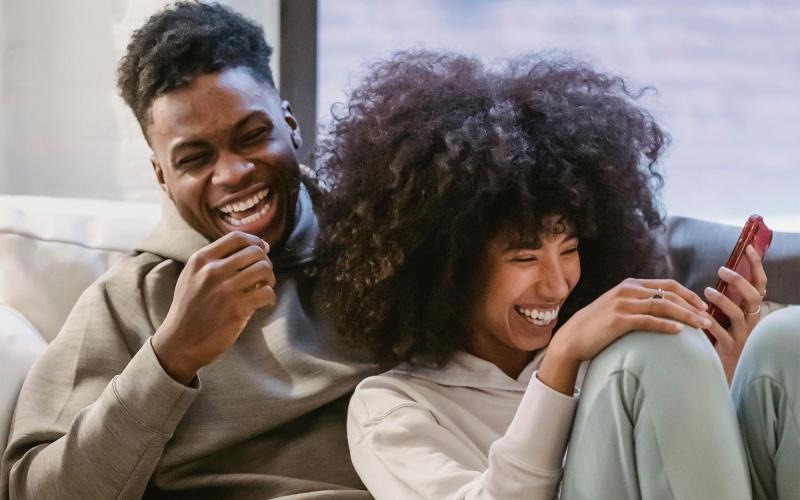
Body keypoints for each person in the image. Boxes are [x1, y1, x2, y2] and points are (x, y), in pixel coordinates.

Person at [314, 51, 768, 499]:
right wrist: (560, 360)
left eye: (568, 249)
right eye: (524, 258)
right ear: (449, 265)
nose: (557, 285)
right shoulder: (392, 406)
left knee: (784, 338)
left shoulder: (606, 359)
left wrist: (720, 380)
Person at [1, 3, 375, 499]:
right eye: (195, 158)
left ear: (290, 123)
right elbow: (36, 490)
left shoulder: (382, 238)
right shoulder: (129, 300)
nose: (233, 174)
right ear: (161, 175)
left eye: (253, 136)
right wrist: (171, 356)